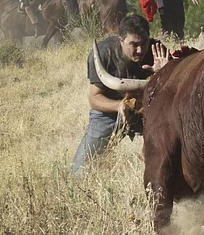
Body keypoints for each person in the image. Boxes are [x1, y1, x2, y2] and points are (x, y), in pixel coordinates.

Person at [71, 15, 166, 174]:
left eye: (144, 43)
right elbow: (94, 98)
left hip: (147, 111)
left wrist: (164, 72)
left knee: (169, 154)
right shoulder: (104, 53)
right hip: (109, 112)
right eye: (133, 44)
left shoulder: (157, 51)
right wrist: (119, 106)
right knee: (80, 171)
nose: (140, 50)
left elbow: (171, 93)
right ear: (120, 40)